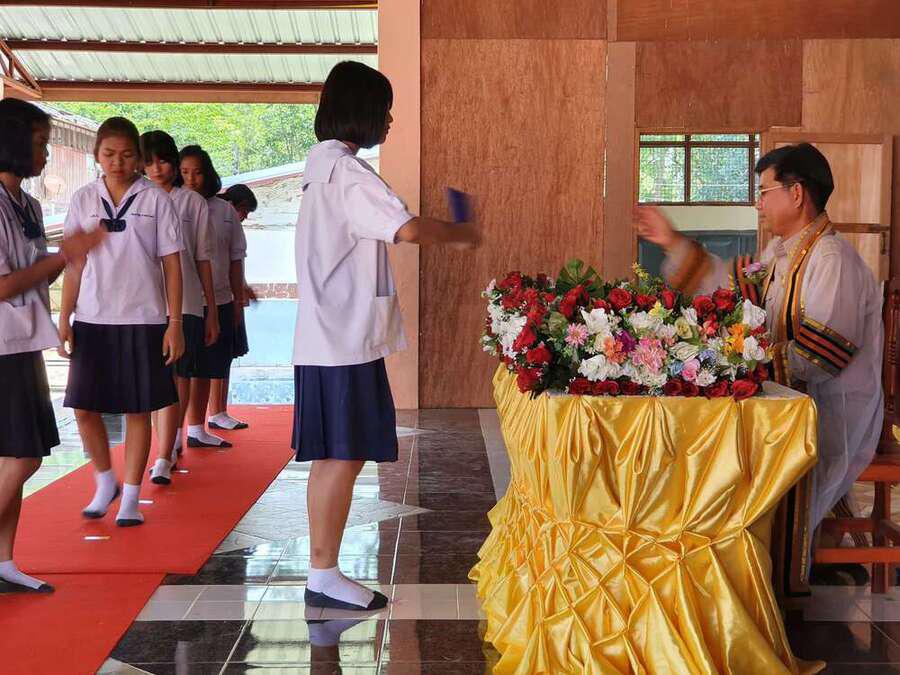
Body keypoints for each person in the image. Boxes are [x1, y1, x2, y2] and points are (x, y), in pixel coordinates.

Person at [635, 142, 883, 595]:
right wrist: (671, 241)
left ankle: (761, 570)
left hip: (831, 409)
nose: (758, 203)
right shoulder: (781, 254)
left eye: (764, 192)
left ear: (796, 194)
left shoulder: (831, 260)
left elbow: (823, 357)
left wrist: (746, 359)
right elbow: (726, 285)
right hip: (795, 397)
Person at [294, 60, 480, 611]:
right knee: (342, 456)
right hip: (342, 341)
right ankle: (323, 574)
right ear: (363, 110)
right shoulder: (347, 173)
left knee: (336, 456)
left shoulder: (322, 168)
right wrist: (460, 232)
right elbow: (407, 227)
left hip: (329, 337)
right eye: (386, 109)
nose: (391, 120)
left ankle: (322, 571)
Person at [59, 117, 185, 527]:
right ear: (96, 155)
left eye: (127, 154)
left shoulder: (156, 200)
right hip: (92, 316)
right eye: (109, 154)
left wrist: (175, 323)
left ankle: (131, 496)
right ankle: (104, 480)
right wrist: (64, 316)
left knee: (138, 409)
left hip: (143, 318)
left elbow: (172, 266)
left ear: (139, 158)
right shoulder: (83, 198)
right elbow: (74, 263)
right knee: (83, 407)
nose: (118, 162)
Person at [0, 99, 103, 592]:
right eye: (40, 144)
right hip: (2, 345)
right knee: (23, 456)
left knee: (14, 454)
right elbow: (3, 285)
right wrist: (65, 254)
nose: (45, 154)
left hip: (23, 341)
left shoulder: (27, 204)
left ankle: (4, 561)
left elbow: (36, 270)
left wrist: (68, 257)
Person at [141, 131, 219, 485]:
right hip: (146, 302)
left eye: (163, 160)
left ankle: (166, 450)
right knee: (155, 378)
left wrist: (210, 308)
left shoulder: (192, 202)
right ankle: (165, 445)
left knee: (180, 374)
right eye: (149, 162)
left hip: (186, 301)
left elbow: (203, 258)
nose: (157, 169)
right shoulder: (137, 199)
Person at [180, 146, 247, 449]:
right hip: (183, 301)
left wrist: (237, 299)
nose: (191, 179)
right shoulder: (171, 204)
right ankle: (172, 438)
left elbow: (235, 258)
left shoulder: (223, 211)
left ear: (207, 174)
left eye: (197, 172)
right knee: (181, 371)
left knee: (208, 367)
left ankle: (197, 428)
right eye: (184, 172)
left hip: (217, 299)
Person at [208, 183, 257, 431]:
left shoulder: (230, 224)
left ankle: (219, 410)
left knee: (226, 356)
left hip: (231, 296)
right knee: (219, 357)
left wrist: (243, 289)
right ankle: (215, 412)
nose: (244, 216)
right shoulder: (216, 218)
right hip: (219, 299)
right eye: (244, 210)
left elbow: (236, 262)